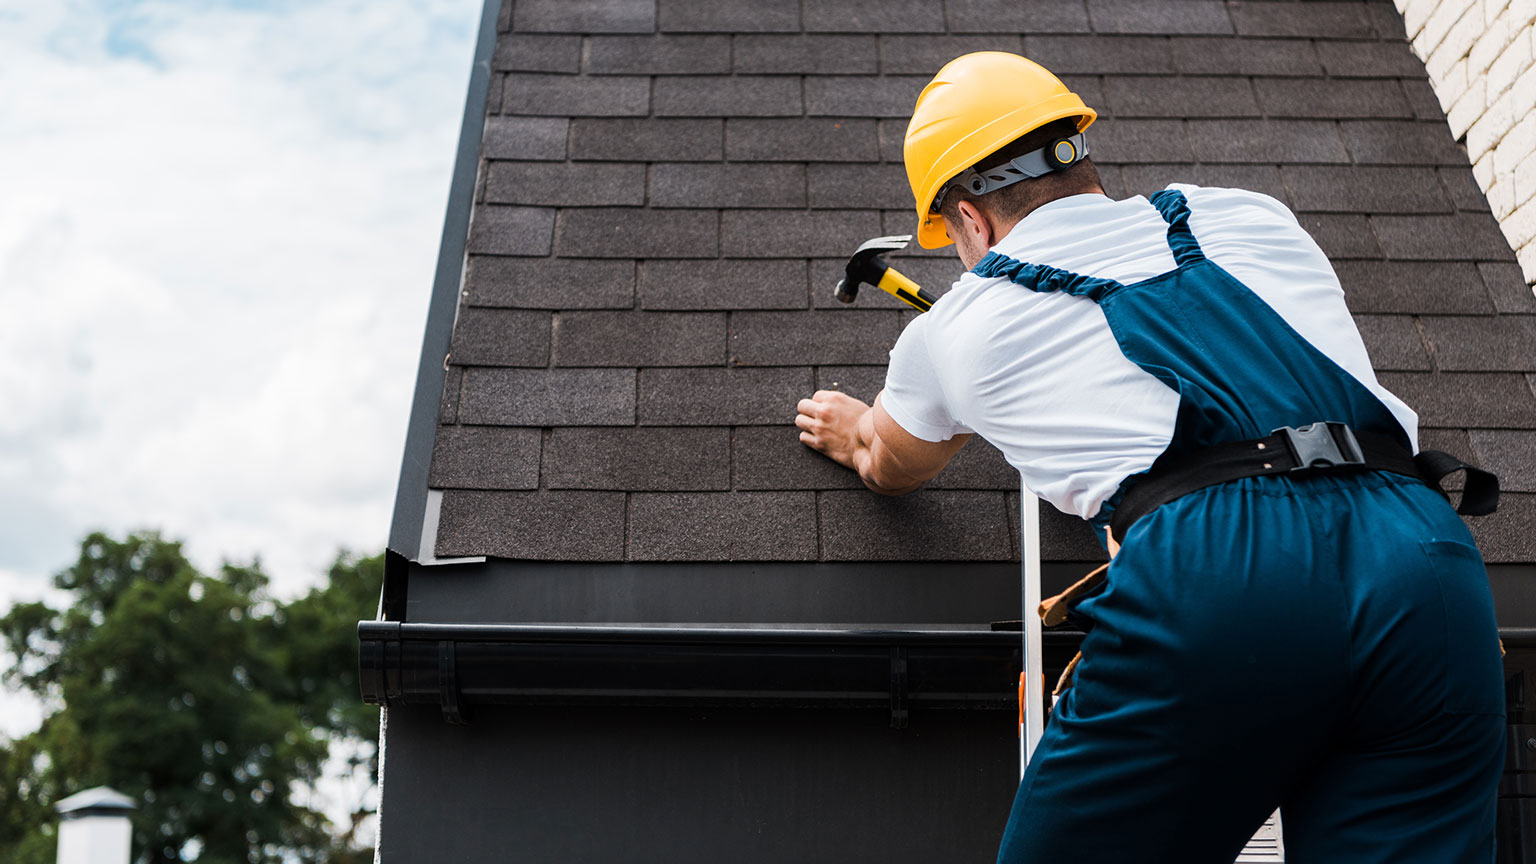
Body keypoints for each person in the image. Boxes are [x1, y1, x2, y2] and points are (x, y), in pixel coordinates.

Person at [794, 51, 1505, 863]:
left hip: (1226, 580)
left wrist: (856, 433)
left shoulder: (953, 331)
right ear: (1079, 155)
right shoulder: (1250, 214)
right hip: (1422, 555)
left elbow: (893, 458)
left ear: (967, 220)